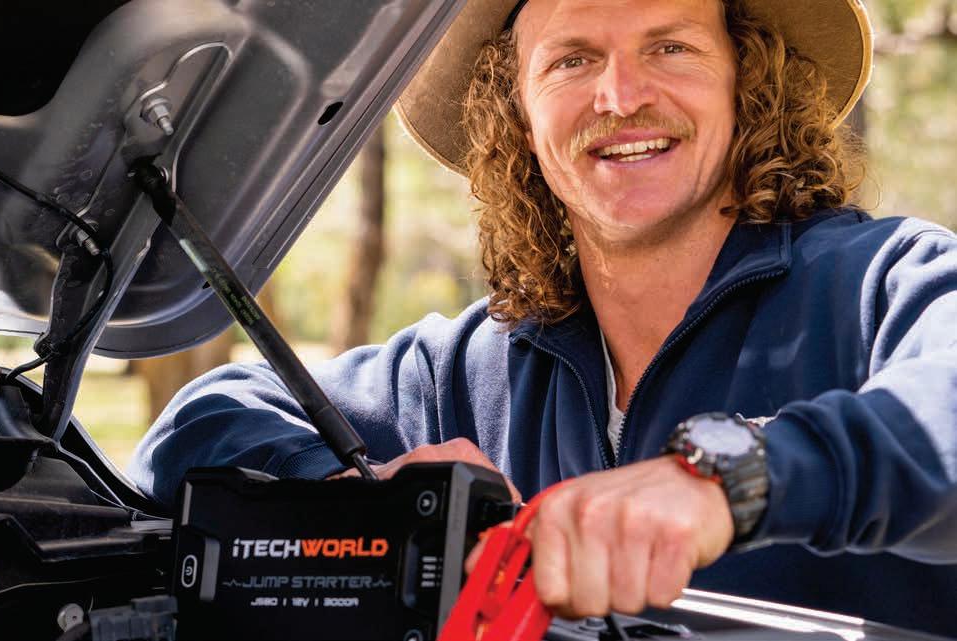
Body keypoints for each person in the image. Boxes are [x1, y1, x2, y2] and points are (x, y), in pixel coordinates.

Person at [128, 0, 957, 635]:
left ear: (747, 80)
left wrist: (730, 477)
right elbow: (195, 425)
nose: (621, 95)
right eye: (572, 60)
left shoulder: (884, 280)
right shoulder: (467, 368)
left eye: (669, 46)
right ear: (518, 113)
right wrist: (347, 490)